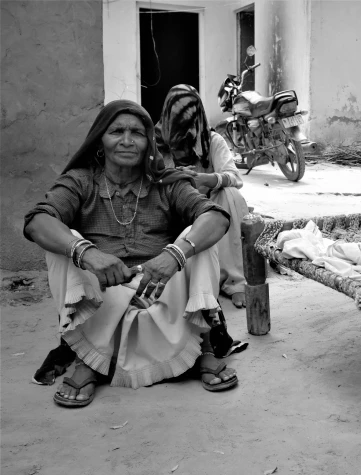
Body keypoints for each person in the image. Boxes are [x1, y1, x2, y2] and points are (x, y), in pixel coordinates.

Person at [24, 100, 240, 407]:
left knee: (199, 238)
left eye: (137, 133)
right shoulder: (81, 181)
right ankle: (88, 357)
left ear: (148, 141)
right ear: (100, 139)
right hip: (103, 293)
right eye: (117, 131)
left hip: (162, 289)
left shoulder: (165, 182)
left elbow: (216, 217)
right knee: (63, 243)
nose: (127, 140)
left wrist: (175, 255)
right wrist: (87, 253)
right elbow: (37, 221)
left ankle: (202, 348)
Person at [155, 84, 250, 308]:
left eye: (189, 127)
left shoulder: (211, 141)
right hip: (169, 211)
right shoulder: (155, 144)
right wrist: (175, 177)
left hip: (206, 212)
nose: (184, 135)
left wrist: (207, 179)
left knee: (230, 195)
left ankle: (235, 281)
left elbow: (234, 177)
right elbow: (147, 180)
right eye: (179, 128)